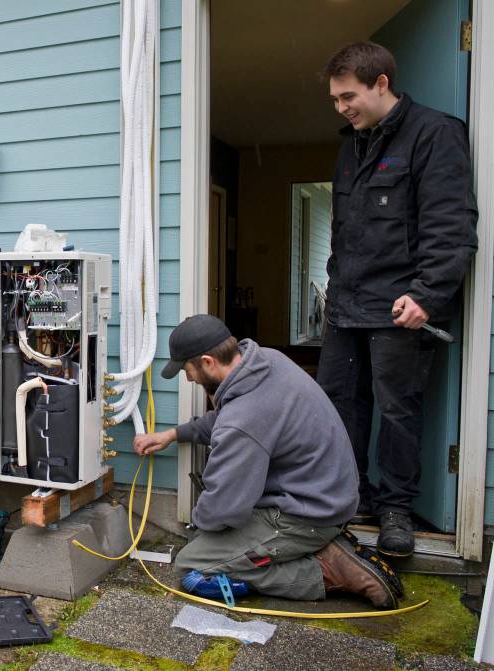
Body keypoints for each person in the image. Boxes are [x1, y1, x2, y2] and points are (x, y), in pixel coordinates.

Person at [316, 42, 478, 557]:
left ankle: (395, 512)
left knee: (397, 412)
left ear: (381, 83)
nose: (341, 107)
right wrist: (333, 288)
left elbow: (452, 227)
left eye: (349, 96)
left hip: (400, 308)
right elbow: (344, 230)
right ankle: (348, 500)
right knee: (340, 405)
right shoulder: (351, 145)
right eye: (336, 99)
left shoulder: (434, 133)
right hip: (346, 305)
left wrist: (428, 295)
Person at [134, 314, 402, 608]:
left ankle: (326, 571)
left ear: (208, 361)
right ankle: (321, 548)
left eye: (188, 369)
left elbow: (226, 510)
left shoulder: (244, 419)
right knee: (214, 546)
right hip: (328, 496)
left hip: (308, 515)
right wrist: (175, 434)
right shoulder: (265, 362)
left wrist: (198, 528)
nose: (189, 378)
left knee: (193, 566)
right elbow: (230, 420)